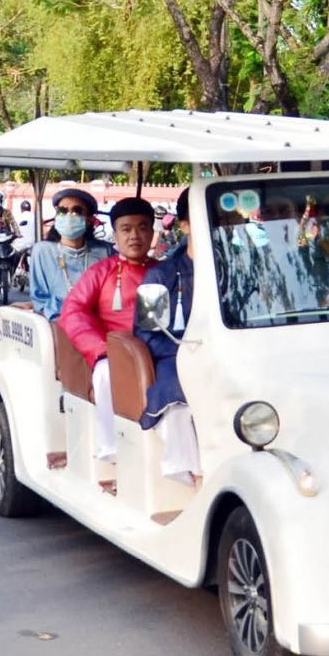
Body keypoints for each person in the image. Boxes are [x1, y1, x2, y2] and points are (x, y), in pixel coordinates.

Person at [59, 197, 157, 463]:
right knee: (105, 373)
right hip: (114, 353)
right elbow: (73, 312)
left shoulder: (164, 271)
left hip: (158, 351)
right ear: (115, 234)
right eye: (126, 229)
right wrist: (101, 350)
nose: (134, 236)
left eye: (142, 228)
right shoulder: (102, 271)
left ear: (152, 233)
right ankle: (111, 450)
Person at [134, 188, 202, 485]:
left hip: (229, 356)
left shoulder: (238, 271)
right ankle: (195, 475)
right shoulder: (160, 276)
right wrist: (189, 354)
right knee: (178, 402)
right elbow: (147, 334)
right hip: (175, 358)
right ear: (184, 225)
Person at [29, 188, 111, 319]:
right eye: (62, 211)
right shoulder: (42, 252)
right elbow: (40, 300)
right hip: (56, 322)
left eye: (77, 211)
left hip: (96, 322)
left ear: (89, 219)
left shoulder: (104, 252)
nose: (69, 216)